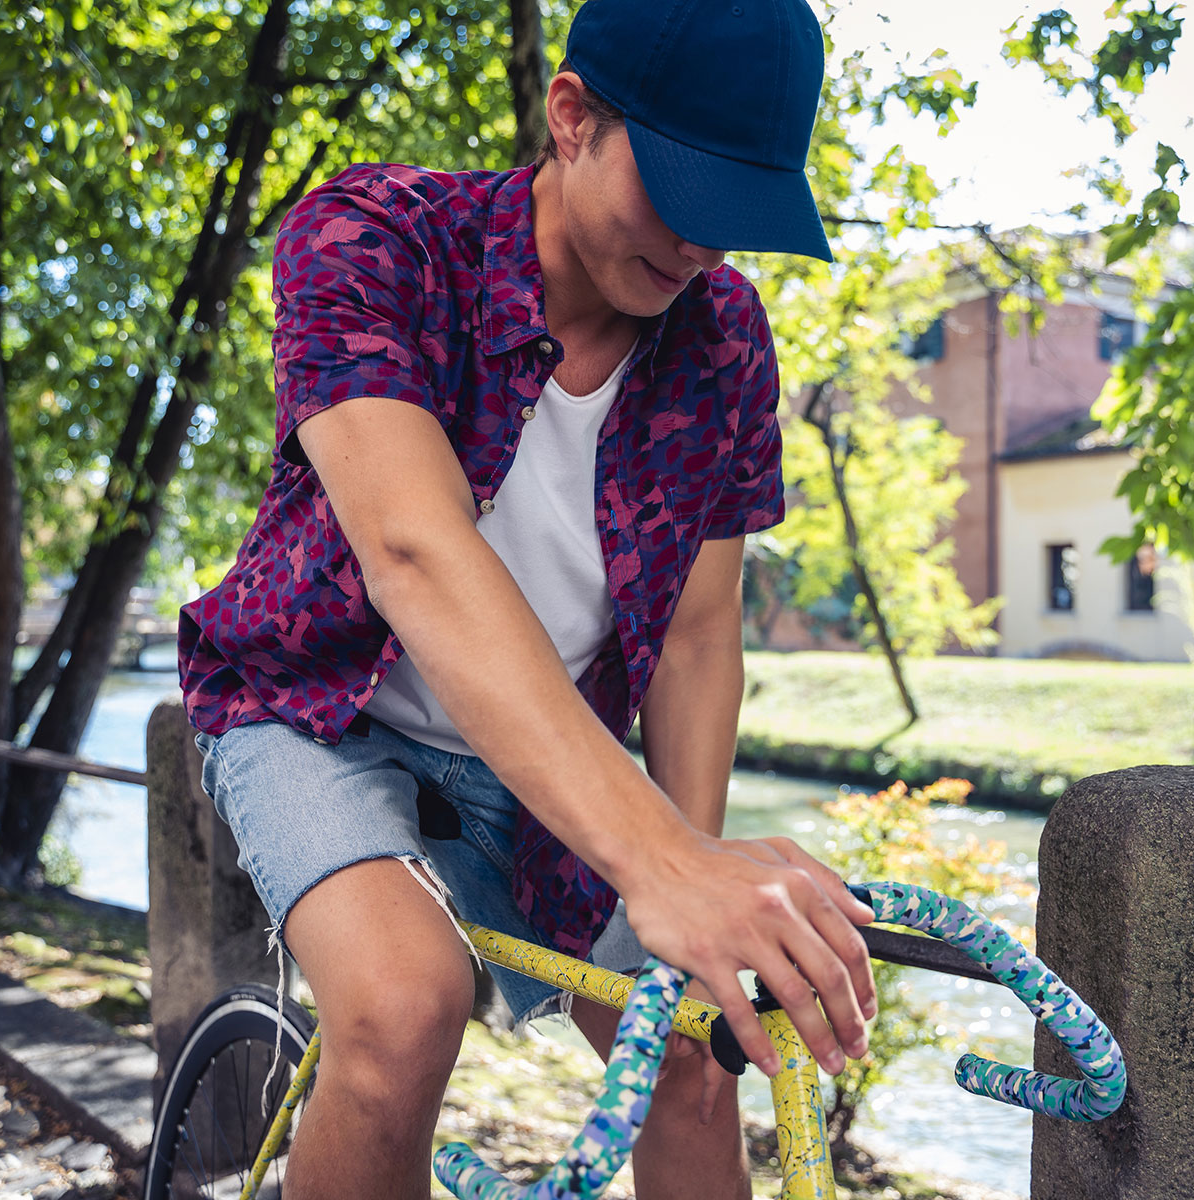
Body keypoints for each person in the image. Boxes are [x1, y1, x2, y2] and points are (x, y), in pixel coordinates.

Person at [177, 0, 877, 1195]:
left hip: (551, 759)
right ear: (571, 118)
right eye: (682, 191)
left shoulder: (724, 339)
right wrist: (659, 863)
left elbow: (700, 637)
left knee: (693, 1048)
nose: (703, 244)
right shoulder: (377, 236)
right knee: (403, 1006)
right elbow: (412, 548)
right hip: (321, 716)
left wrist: (691, 880)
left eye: (736, 211)